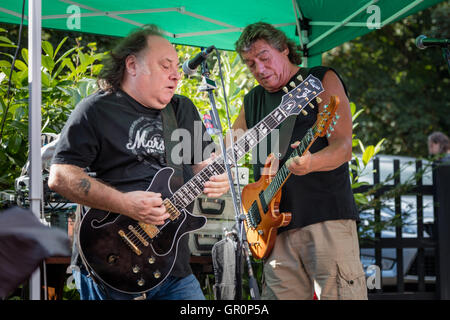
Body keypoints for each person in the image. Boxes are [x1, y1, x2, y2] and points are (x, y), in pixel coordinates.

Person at [48, 25, 229, 300]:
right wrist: (126, 204)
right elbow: (61, 176)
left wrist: (218, 179)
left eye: (177, 66)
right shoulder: (95, 110)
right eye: (165, 65)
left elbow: (203, 167)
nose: (176, 74)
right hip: (110, 261)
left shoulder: (183, 110)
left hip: (172, 266)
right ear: (132, 65)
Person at [232, 22, 367, 300]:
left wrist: (311, 163)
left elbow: (343, 147)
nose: (258, 69)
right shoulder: (253, 100)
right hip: (274, 230)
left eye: (264, 57)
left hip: (325, 218)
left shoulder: (319, 79)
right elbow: (229, 148)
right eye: (250, 64)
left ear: (284, 50)